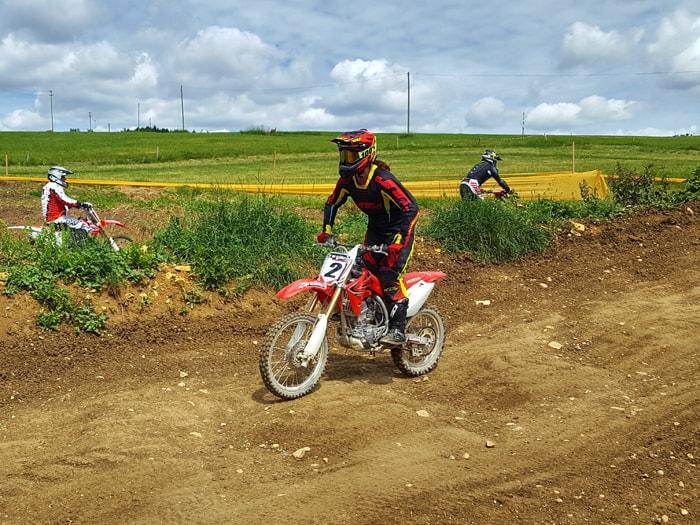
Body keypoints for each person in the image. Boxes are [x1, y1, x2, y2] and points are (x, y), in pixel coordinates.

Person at [317, 129, 419, 346]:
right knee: (357, 270)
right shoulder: (347, 181)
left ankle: (398, 329)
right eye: (344, 155)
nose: (346, 160)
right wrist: (327, 230)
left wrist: (400, 239)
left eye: (351, 155)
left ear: (366, 154)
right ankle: (366, 314)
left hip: (398, 233)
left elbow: (411, 208)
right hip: (375, 232)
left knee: (389, 276)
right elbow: (332, 202)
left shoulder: (383, 180)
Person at [41, 166, 95, 238]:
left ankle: (74, 242)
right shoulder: (54, 186)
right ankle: (80, 245)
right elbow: (64, 199)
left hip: (54, 218)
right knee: (83, 225)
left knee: (77, 221)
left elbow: (60, 202)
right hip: (56, 218)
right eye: (63, 177)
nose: (65, 179)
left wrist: (74, 206)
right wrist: (79, 204)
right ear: (56, 176)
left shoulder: (49, 186)